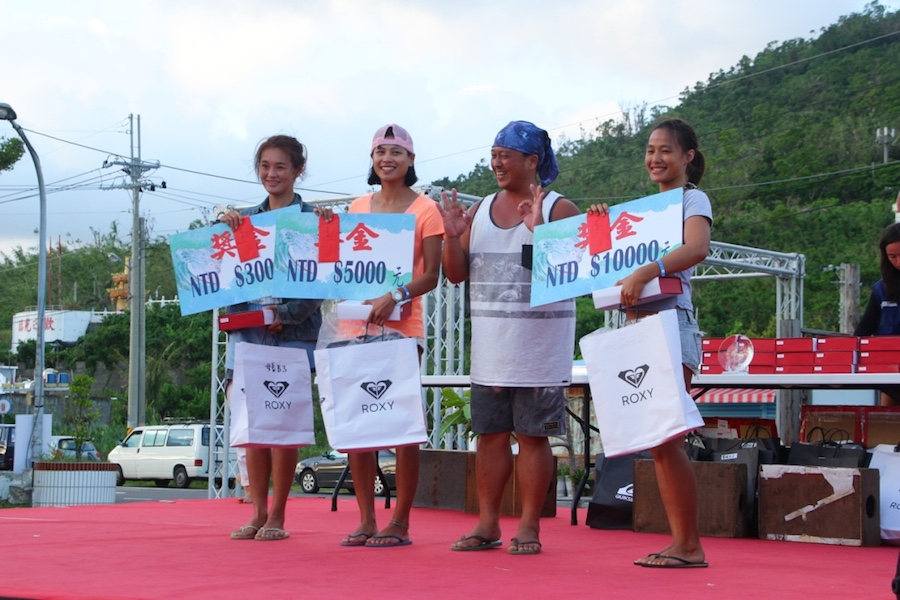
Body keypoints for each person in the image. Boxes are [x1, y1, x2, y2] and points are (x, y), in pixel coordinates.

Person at [440, 120, 580, 555]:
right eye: (494, 155)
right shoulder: (481, 208)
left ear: (532, 161)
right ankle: (487, 524)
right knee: (490, 436)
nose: (497, 163)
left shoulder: (560, 209)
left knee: (534, 437)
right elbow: (455, 274)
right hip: (491, 349)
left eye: (506, 156)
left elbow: (574, 277)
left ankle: (530, 526)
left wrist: (539, 232)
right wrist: (451, 237)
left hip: (540, 350)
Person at [588, 118, 711, 568]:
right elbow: (602, 264)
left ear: (687, 157)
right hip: (637, 328)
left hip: (671, 324)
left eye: (665, 150)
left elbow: (697, 247)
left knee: (667, 439)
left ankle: (689, 545)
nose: (655, 158)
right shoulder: (642, 211)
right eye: (649, 150)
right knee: (658, 442)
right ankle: (681, 542)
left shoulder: (692, 198)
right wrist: (600, 228)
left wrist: (649, 270)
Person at [331, 124, 444, 547]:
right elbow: (342, 263)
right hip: (354, 327)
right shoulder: (357, 206)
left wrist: (395, 294)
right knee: (358, 425)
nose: (387, 159)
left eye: (396, 152)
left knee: (400, 424)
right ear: (372, 159)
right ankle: (365, 519)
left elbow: (431, 276)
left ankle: (400, 520)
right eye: (381, 151)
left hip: (401, 331)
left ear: (411, 160)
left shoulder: (426, 210)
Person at [222, 134, 323, 541]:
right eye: (265, 166)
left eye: (280, 166)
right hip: (248, 335)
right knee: (252, 428)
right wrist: (223, 228)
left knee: (284, 425)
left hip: (294, 333)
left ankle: (278, 514)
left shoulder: (315, 220)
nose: (271, 173)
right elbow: (222, 274)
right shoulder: (242, 221)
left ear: (298, 170)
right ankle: (257, 511)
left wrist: (286, 314)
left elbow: (321, 281)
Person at [854, 222, 900, 406]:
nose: (898, 261)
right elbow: (864, 330)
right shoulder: (881, 289)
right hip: (890, 375)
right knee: (885, 420)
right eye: (892, 256)